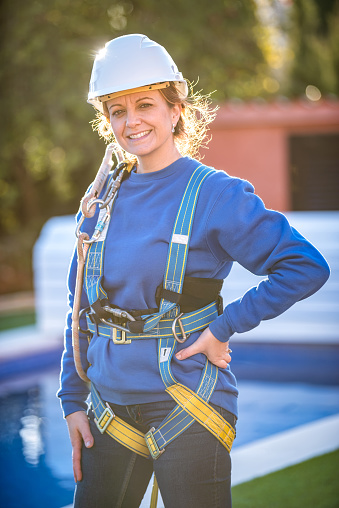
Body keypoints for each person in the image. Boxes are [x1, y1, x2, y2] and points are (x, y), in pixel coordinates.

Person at [58, 34, 330, 508]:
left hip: (188, 403)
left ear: (175, 108)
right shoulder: (99, 201)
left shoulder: (217, 195)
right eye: (117, 111)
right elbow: (79, 307)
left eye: (145, 104)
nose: (131, 121)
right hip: (106, 411)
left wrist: (225, 327)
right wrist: (71, 401)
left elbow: (305, 266)